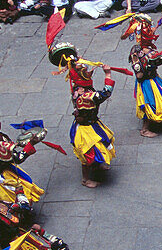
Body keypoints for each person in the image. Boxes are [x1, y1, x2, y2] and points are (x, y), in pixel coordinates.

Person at [50, 42, 117, 188]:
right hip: (86, 129)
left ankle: (98, 165)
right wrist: (108, 74)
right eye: (85, 70)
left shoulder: (80, 86)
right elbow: (105, 93)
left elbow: (75, 67)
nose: (89, 70)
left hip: (93, 123)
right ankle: (85, 179)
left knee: (104, 143)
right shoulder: (85, 95)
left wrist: (74, 60)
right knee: (88, 155)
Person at [126, 15, 162, 137]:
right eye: (149, 29)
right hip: (149, 82)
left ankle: (148, 124)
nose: (152, 30)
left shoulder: (135, 49)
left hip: (144, 81)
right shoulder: (150, 55)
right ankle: (145, 130)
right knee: (150, 103)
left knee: (149, 102)